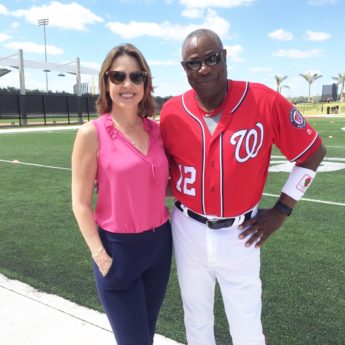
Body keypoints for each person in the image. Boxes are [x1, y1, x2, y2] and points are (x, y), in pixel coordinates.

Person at [160, 28, 326, 345]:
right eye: (194, 63)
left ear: (224, 58)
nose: (204, 68)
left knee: (246, 326)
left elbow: (313, 153)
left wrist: (281, 211)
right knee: (195, 319)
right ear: (185, 70)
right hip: (186, 228)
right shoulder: (171, 112)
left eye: (211, 59)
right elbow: (168, 175)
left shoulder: (263, 99)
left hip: (241, 232)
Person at [71, 43, 172, 345]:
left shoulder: (157, 132)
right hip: (117, 250)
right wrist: (100, 256)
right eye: (118, 77)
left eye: (136, 77)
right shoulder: (92, 133)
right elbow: (79, 202)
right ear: (106, 82)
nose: (127, 84)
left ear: (145, 83)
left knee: (146, 334)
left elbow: (162, 184)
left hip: (159, 246)